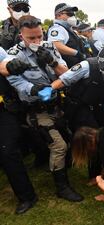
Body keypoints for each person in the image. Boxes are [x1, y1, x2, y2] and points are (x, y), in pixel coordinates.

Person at [6, 15, 83, 202]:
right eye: (31, 38)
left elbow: (67, 75)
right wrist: (34, 89)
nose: (37, 41)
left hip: (58, 104)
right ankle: (62, 187)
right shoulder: (13, 55)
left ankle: (58, 167)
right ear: (21, 36)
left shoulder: (49, 47)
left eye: (39, 36)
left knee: (69, 137)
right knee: (59, 145)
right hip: (35, 109)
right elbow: (17, 82)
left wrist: (53, 62)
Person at [0, 44, 37, 214]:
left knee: (8, 152)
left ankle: (27, 196)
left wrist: (10, 65)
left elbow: (5, 63)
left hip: (3, 109)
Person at [47, 3, 86, 68]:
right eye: (69, 14)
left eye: (73, 14)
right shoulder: (57, 28)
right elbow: (56, 45)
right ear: (58, 15)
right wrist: (77, 53)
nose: (72, 16)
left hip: (75, 68)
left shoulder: (67, 29)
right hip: (67, 70)